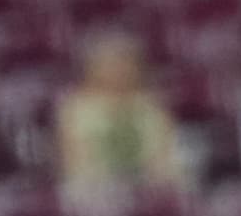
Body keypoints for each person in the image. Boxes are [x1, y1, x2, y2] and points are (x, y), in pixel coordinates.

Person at [56, 32, 192, 204]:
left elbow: (164, 155)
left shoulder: (152, 105)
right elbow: (75, 160)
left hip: (147, 183)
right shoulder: (75, 108)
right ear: (93, 68)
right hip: (96, 189)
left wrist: (151, 181)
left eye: (124, 63)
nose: (119, 70)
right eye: (110, 65)